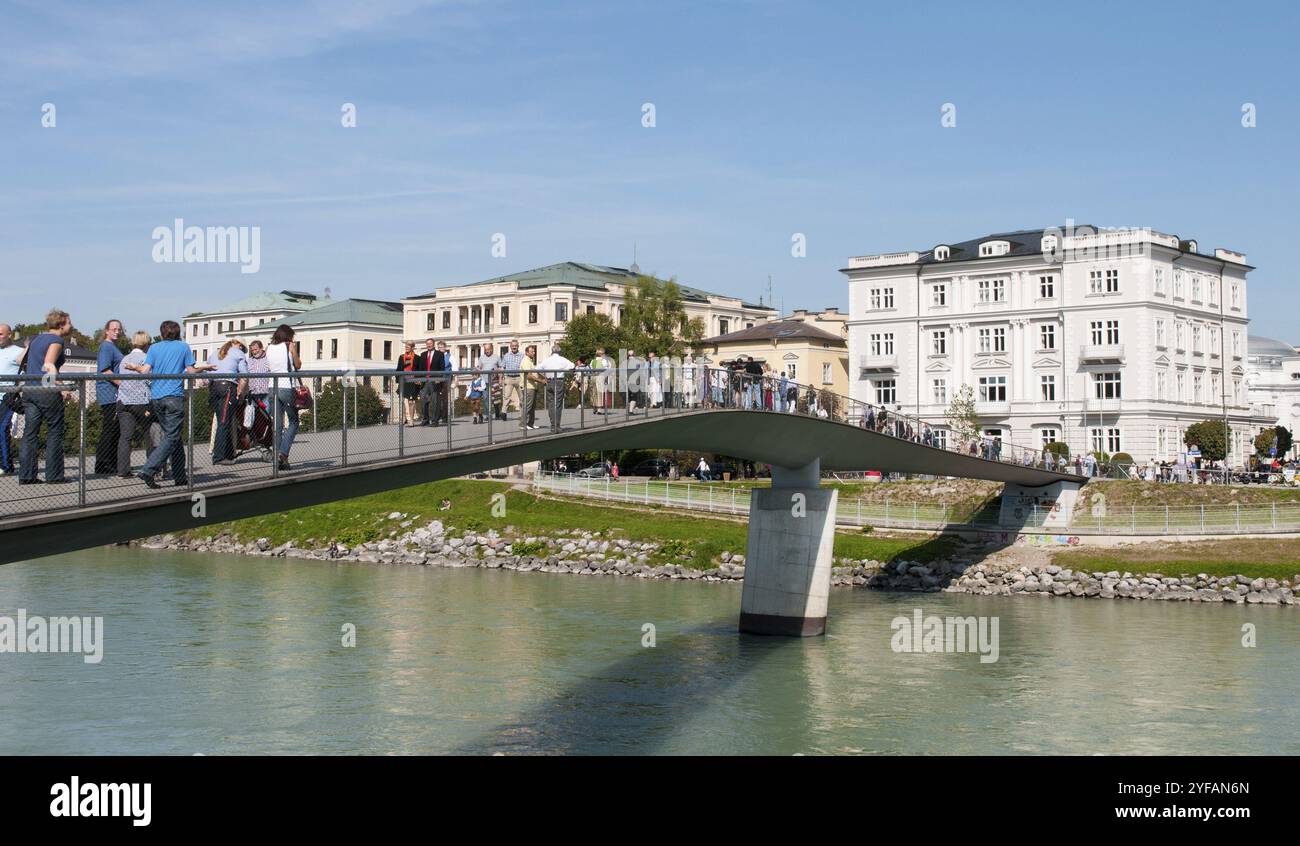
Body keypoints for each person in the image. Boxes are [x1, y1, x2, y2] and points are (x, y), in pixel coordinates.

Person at [136, 319, 209, 488]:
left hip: (157, 397)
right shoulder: (183, 347)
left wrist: (134, 368)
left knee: (174, 437)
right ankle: (148, 469)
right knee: (172, 437)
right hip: (174, 396)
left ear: (162, 333)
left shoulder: (154, 348)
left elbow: (145, 370)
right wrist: (204, 368)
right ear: (178, 333)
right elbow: (190, 371)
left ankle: (179, 476)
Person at [18, 309, 74, 485]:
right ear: (61, 323)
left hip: (29, 389)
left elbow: (21, 359)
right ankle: (54, 476)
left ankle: (26, 476)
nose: (71, 325)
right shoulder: (56, 341)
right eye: (69, 322)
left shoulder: (36, 339)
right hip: (46, 392)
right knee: (55, 432)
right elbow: (48, 364)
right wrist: (61, 387)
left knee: (30, 434)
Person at [115, 331, 155, 478]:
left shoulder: (124, 359)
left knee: (125, 437)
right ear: (146, 343)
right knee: (149, 434)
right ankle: (151, 468)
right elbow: (150, 380)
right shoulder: (147, 359)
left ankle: (123, 470)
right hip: (142, 401)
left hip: (124, 400)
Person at [265, 324, 302, 471]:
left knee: (277, 425)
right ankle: (283, 453)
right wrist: (294, 353)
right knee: (294, 421)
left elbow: (268, 367)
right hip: (286, 386)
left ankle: (277, 458)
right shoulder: (289, 345)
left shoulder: (269, 347)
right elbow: (298, 365)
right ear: (288, 336)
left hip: (272, 387)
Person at [93, 319, 126, 475]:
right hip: (109, 393)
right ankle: (102, 464)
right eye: (114, 329)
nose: (117, 331)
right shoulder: (106, 347)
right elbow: (105, 370)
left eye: (119, 329)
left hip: (114, 393)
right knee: (110, 429)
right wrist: (124, 384)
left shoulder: (113, 347)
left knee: (115, 430)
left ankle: (111, 462)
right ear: (106, 330)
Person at [208, 339, 248, 466]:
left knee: (223, 421)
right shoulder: (238, 353)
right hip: (228, 387)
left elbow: (209, 372)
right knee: (224, 422)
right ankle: (218, 456)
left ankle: (228, 452)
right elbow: (244, 375)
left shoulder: (215, 353)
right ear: (239, 345)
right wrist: (241, 393)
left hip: (214, 387)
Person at [0, 324, 24, 475]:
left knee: (2, 429)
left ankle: (6, 465)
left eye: (1, 334)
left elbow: (30, 369)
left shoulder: (19, 351)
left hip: (7, 396)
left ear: (9, 335)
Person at [538, 348, 575, 433]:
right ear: (559, 351)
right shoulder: (562, 359)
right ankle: (557, 426)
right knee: (558, 404)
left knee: (551, 404)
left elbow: (538, 368)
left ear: (552, 351)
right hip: (558, 381)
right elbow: (572, 366)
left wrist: (544, 376)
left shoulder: (547, 360)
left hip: (549, 381)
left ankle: (552, 425)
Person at [394, 341, 420, 425]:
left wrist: (418, 380)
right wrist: (398, 380)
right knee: (403, 400)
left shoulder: (417, 358)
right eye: (406, 346)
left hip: (413, 381)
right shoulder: (401, 357)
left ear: (412, 347)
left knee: (411, 401)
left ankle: (411, 420)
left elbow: (419, 370)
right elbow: (398, 369)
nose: (406, 347)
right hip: (404, 381)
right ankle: (405, 418)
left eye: (408, 346)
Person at [500, 340, 526, 423]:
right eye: (512, 346)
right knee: (506, 396)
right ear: (510, 347)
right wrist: (500, 378)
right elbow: (502, 367)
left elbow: (525, 366)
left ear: (518, 346)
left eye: (515, 346)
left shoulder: (522, 355)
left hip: (519, 378)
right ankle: (504, 412)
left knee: (522, 397)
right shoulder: (506, 356)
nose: (514, 347)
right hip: (509, 378)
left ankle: (522, 414)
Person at [520, 344, 542, 430]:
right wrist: (541, 381)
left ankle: (530, 424)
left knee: (532, 407)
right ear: (526, 352)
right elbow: (529, 376)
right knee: (528, 406)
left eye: (534, 351)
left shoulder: (530, 361)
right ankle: (523, 424)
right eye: (532, 351)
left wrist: (543, 377)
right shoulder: (525, 361)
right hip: (528, 387)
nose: (534, 352)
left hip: (532, 386)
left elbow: (535, 372)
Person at [590, 346, 612, 414]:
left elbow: (591, 368)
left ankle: (594, 407)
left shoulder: (593, 361)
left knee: (593, 393)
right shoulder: (605, 361)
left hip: (593, 376)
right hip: (600, 376)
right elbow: (609, 368)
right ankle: (599, 409)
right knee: (600, 392)